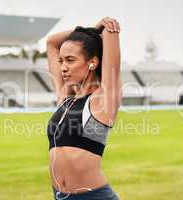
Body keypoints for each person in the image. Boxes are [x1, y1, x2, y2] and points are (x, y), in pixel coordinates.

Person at [46, 17, 122, 200]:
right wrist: (90, 30)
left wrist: (101, 30)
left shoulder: (104, 98)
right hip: (60, 195)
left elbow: (110, 35)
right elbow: (51, 42)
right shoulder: (65, 98)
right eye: (61, 61)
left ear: (92, 63)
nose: (63, 68)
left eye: (70, 60)